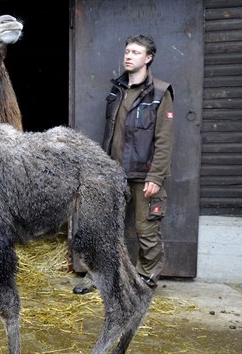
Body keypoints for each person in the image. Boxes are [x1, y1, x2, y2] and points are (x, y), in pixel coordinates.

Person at [73, 34, 174, 294]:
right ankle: (99, 276)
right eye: (127, 51)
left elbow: (164, 140)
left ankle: (145, 280)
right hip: (113, 173)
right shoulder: (116, 90)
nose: (129, 56)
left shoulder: (160, 92)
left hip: (144, 175)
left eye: (136, 52)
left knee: (146, 229)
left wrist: (156, 177)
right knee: (105, 228)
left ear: (148, 58)